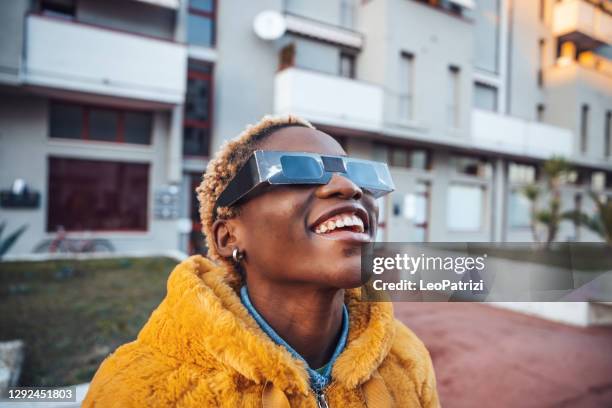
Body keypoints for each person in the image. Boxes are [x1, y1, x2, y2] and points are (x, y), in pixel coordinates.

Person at [83, 114, 440, 407]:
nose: (348, 187)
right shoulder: (136, 389)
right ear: (228, 237)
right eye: (297, 170)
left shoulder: (407, 359)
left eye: (357, 174)